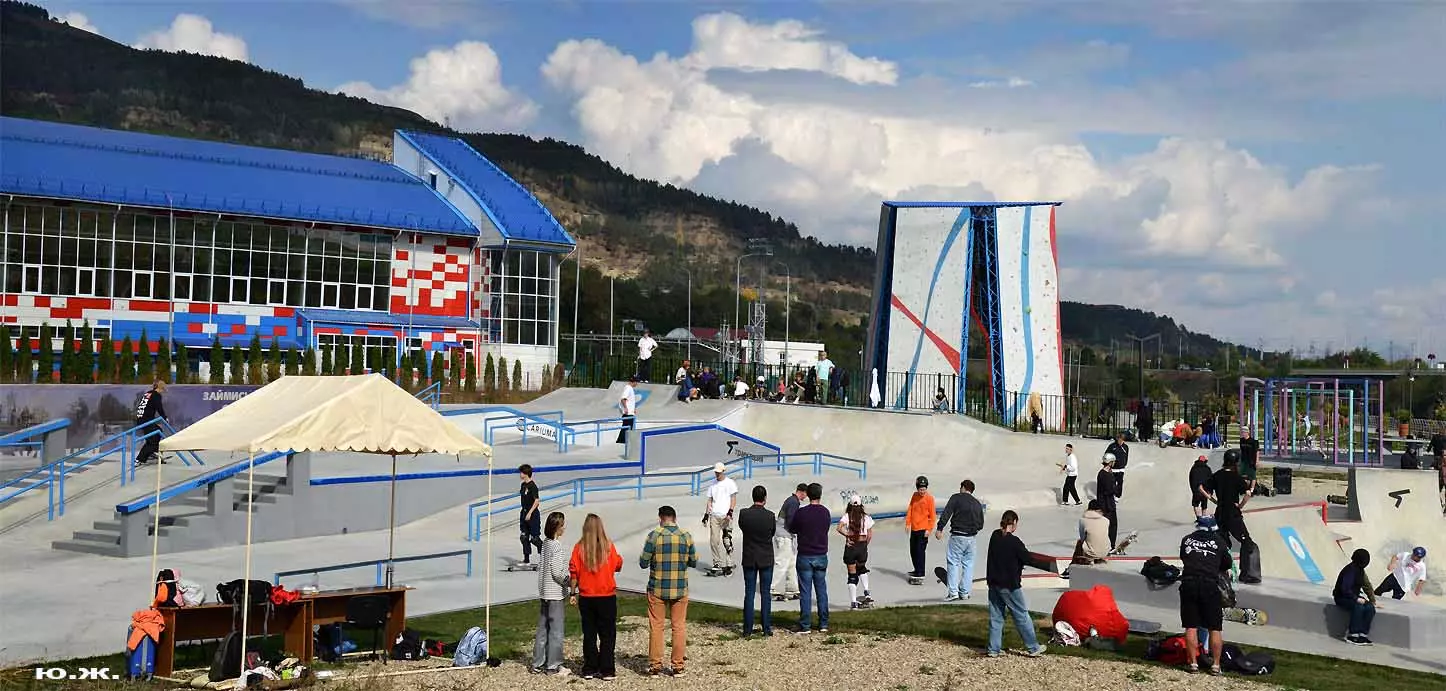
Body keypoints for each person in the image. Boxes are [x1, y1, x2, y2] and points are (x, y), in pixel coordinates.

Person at [638, 505, 696, 677]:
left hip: (657, 587)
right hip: (680, 587)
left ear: (660, 518)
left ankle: (655, 665)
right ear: (675, 518)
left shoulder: (654, 536)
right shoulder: (686, 536)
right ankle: (678, 665)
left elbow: (643, 563)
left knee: (657, 626)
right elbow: (693, 561)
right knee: (679, 626)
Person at [569, 513, 623, 680]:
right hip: (606, 595)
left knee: (589, 633)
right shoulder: (608, 546)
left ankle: (590, 667)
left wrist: (572, 592)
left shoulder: (579, 548)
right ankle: (607, 668)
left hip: (587, 596)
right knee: (608, 634)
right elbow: (618, 564)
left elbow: (573, 572)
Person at [985, 510, 1047, 658]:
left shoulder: (995, 536)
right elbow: (1028, 559)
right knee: (1021, 615)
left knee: (996, 617)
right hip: (1009, 585)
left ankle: (993, 649)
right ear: (1013, 523)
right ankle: (1033, 647)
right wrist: (1047, 565)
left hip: (993, 582)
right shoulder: (1014, 542)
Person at [1179, 515, 1232, 675]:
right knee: (1214, 627)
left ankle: (1193, 664)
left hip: (1189, 583)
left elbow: (1184, 557)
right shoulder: (1219, 542)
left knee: (1191, 626)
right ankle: (1215, 665)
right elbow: (1227, 564)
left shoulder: (1187, 539)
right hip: (1209, 585)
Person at [532, 512, 571, 677]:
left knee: (543, 629)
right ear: (557, 527)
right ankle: (553, 666)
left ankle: (537, 663)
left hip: (544, 592)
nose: (564, 528)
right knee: (556, 631)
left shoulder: (545, 543)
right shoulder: (556, 546)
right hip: (555, 593)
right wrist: (569, 581)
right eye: (562, 525)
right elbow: (557, 572)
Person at [788, 482, 831, 634]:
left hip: (805, 554)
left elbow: (793, 528)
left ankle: (805, 624)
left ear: (808, 495)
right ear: (820, 495)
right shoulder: (825, 512)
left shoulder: (802, 513)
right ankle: (823, 623)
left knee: (805, 591)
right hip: (820, 554)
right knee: (821, 590)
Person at [935, 479, 985, 601]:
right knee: (968, 565)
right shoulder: (977, 503)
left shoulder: (956, 498)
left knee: (953, 562)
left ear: (963, 487)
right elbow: (981, 524)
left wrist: (940, 528)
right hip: (971, 538)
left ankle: (953, 593)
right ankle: (964, 592)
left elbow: (947, 513)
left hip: (957, 536)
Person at [737, 485, 776, 636]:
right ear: (765, 498)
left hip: (750, 556)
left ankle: (747, 629)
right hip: (766, 557)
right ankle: (766, 628)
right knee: (765, 593)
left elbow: (743, 528)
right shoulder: (770, 516)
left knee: (749, 593)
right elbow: (772, 532)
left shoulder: (744, 514)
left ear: (752, 497)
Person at [1205, 449, 1251, 551]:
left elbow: (1203, 489)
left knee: (1223, 542)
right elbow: (1248, 494)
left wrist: (1215, 501)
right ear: (1235, 462)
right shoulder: (1237, 477)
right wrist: (1240, 505)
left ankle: (1224, 558)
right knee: (1246, 542)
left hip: (1220, 513)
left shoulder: (1217, 475)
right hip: (1232, 513)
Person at [837, 495, 875, 609]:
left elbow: (839, 528)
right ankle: (867, 593)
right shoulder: (866, 517)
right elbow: (869, 535)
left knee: (852, 576)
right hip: (862, 546)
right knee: (862, 569)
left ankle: (853, 602)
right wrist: (864, 545)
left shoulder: (847, 516)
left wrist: (847, 535)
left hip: (851, 547)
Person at [1334, 548, 1377, 645]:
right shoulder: (1350, 570)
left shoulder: (1361, 571)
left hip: (1353, 597)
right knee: (1358, 607)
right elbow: (1345, 589)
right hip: (1342, 597)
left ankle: (1363, 634)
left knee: (1370, 607)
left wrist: (1372, 601)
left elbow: (1367, 586)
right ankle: (1352, 635)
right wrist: (1356, 598)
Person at [771, 483, 806, 600]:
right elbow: (791, 520)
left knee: (791, 562)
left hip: (786, 535)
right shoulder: (793, 502)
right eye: (805, 494)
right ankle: (771, 587)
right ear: (802, 492)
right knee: (782, 562)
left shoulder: (791, 500)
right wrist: (799, 531)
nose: (806, 497)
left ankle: (792, 588)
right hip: (784, 535)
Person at [704, 462, 738, 576]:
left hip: (726, 516)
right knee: (714, 541)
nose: (717, 474)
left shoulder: (730, 483)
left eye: (719, 472)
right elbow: (709, 500)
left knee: (727, 540)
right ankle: (717, 563)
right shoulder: (712, 485)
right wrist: (706, 515)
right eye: (716, 472)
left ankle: (729, 562)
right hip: (714, 516)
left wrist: (730, 511)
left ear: (723, 471)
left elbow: (733, 499)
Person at [906, 476, 935, 581]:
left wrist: (929, 529)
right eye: (920, 489)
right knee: (913, 551)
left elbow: (932, 516)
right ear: (917, 488)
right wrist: (908, 523)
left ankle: (921, 572)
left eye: (924, 489)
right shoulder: (915, 496)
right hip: (914, 529)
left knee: (920, 551)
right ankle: (916, 569)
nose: (922, 491)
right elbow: (910, 508)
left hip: (923, 529)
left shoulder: (929, 498)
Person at [133, 380, 168, 466]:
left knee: (158, 432)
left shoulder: (148, 393)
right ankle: (139, 459)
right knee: (152, 441)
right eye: (163, 389)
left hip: (141, 418)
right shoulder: (156, 395)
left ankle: (152, 453)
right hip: (147, 420)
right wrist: (165, 417)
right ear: (160, 388)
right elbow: (159, 407)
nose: (163, 391)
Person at [1072, 500, 1112, 564]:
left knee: (1079, 543)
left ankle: (1074, 564)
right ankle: (1099, 558)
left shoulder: (1082, 520)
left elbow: (1082, 538)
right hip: (1105, 551)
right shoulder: (1106, 520)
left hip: (1090, 552)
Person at [519, 464, 544, 565]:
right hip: (524, 512)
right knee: (524, 536)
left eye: (521, 472)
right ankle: (526, 559)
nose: (520, 474)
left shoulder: (533, 486)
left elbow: (536, 501)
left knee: (535, 539)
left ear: (526, 474)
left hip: (533, 515)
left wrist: (530, 513)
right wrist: (525, 513)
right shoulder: (523, 485)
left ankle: (544, 558)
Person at [1096, 455, 1119, 549]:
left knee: (1109, 525)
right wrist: (1115, 489)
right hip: (1107, 504)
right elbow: (1109, 490)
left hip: (1106, 503)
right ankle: (1110, 546)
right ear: (1110, 462)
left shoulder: (1105, 473)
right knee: (1111, 525)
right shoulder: (1105, 474)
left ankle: (1109, 545)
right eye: (1113, 462)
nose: (1114, 463)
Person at [1105, 433, 1129, 500]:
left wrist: (1124, 464)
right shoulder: (1112, 446)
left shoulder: (1125, 447)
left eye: (1122, 440)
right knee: (1112, 482)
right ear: (1117, 439)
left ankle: (1117, 496)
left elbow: (1126, 456)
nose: (1121, 442)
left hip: (1121, 468)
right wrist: (1108, 465)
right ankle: (1111, 494)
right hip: (1113, 468)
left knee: (1120, 483)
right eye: (1119, 440)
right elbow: (1107, 455)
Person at [616, 376, 638, 446]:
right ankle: (622, 442)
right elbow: (623, 398)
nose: (637, 384)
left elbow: (629, 400)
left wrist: (633, 409)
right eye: (636, 382)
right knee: (627, 429)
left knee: (627, 428)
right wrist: (626, 408)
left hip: (630, 412)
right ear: (634, 382)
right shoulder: (628, 388)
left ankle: (622, 441)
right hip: (628, 413)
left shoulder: (629, 388)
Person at [1189, 455, 1213, 519]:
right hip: (1205, 490)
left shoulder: (1193, 468)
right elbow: (1210, 480)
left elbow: (1191, 479)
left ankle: (1198, 518)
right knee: (1204, 504)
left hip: (1196, 490)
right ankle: (1203, 517)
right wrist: (1210, 491)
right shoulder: (1207, 469)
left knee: (1195, 504)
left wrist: (1193, 490)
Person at [1238, 427, 1260, 493]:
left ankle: (1252, 490)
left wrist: (1257, 461)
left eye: (1244, 432)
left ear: (1248, 432)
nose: (1243, 434)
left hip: (1251, 461)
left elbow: (1257, 451)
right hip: (1243, 460)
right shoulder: (1241, 440)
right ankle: (1244, 488)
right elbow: (1241, 451)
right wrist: (1239, 460)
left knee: (1252, 476)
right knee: (1241, 475)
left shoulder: (1253, 441)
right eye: (1242, 432)